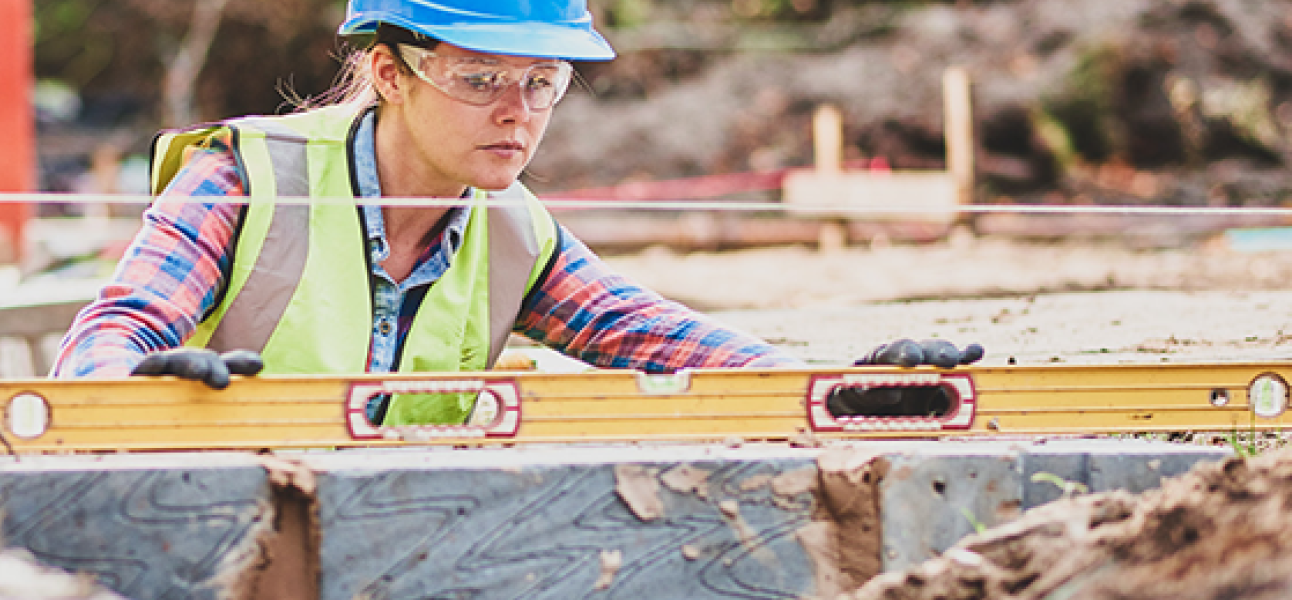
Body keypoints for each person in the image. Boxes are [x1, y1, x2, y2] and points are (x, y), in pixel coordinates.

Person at [50, 0, 979, 426]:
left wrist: (834, 388)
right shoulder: (243, 178)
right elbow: (113, 332)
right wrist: (124, 390)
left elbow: (657, 337)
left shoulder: (513, 231)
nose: (517, 113)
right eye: (482, 78)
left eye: (542, 83)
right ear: (388, 73)